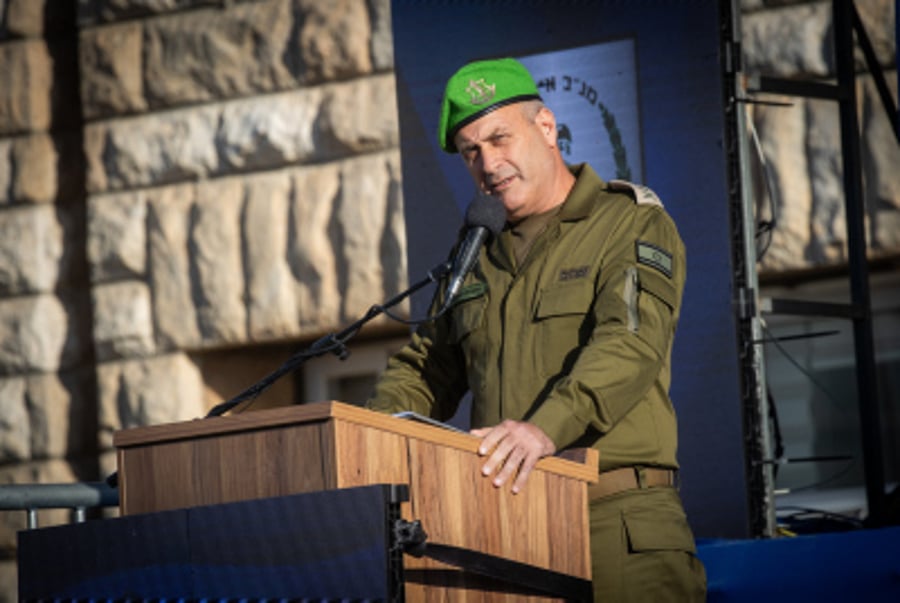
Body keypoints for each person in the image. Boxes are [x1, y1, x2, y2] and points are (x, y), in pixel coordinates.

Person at [366, 57, 706, 601]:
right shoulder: (474, 253)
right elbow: (427, 369)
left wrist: (543, 428)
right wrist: (368, 438)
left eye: (500, 138)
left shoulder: (630, 222)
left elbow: (629, 343)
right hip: (505, 530)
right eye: (472, 151)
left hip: (613, 519)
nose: (488, 163)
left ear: (546, 128)